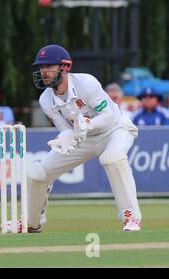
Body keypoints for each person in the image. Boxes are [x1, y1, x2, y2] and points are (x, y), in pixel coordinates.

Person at [24, 44, 141, 233]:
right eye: (41, 67)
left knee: (112, 158)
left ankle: (131, 218)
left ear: (65, 67)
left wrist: (88, 124)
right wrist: (65, 139)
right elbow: (66, 130)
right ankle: (32, 223)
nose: (44, 72)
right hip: (84, 137)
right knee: (39, 173)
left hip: (115, 129)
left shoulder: (86, 83)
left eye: (49, 67)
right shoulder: (46, 100)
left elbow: (109, 115)